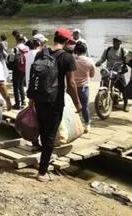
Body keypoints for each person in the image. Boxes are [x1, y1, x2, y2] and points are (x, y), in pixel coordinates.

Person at [28, 28, 82, 182]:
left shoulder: (41, 53)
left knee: (43, 130)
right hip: (55, 101)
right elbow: (71, 84)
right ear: (67, 42)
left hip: (39, 99)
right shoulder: (67, 57)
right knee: (50, 135)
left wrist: (31, 99)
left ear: (54, 39)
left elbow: (34, 78)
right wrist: (78, 104)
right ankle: (42, 172)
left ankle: (44, 158)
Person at [96, 37, 129, 111]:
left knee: (124, 88)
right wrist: (99, 62)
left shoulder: (123, 51)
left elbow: (127, 60)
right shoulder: (107, 50)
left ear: (120, 43)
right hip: (109, 70)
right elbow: (102, 59)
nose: (115, 43)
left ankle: (126, 104)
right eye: (114, 41)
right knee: (103, 83)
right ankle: (100, 101)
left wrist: (129, 60)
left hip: (119, 71)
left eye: (117, 42)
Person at [74, 41, 95, 133]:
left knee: (73, 107)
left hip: (72, 87)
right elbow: (92, 75)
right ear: (85, 50)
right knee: (85, 107)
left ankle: (74, 126)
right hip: (84, 88)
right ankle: (87, 125)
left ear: (76, 50)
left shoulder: (72, 60)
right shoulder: (90, 61)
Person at [12, 34, 29, 109]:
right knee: (21, 85)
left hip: (16, 69)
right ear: (23, 40)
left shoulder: (15, 48)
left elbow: (11, 59)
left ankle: (17, 104)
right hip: (24, 68)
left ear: (17, 40)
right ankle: (23, 101)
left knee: (15, 87)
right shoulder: (27, 48)